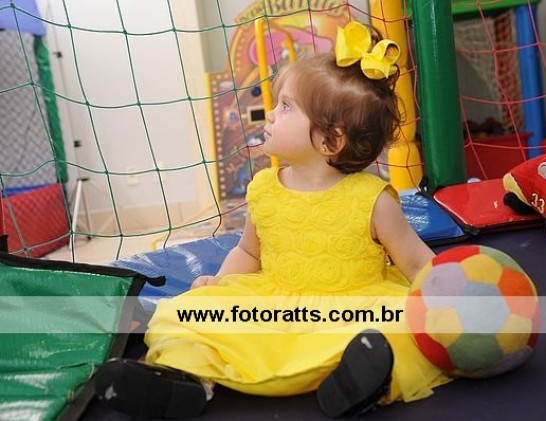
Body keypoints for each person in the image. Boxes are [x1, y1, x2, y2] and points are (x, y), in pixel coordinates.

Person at [94, 21, 451, 419]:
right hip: (272, 302)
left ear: (331, 140)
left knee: (396, 330)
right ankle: (184, 380)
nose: (270, 114)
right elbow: (249, 251)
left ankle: (358, 383)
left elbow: (416, 262)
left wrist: (451, 299)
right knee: (188, 316)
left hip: (353, 308)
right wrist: (221, 283)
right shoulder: (265, 188)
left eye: (286, 107)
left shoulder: (372, 199)